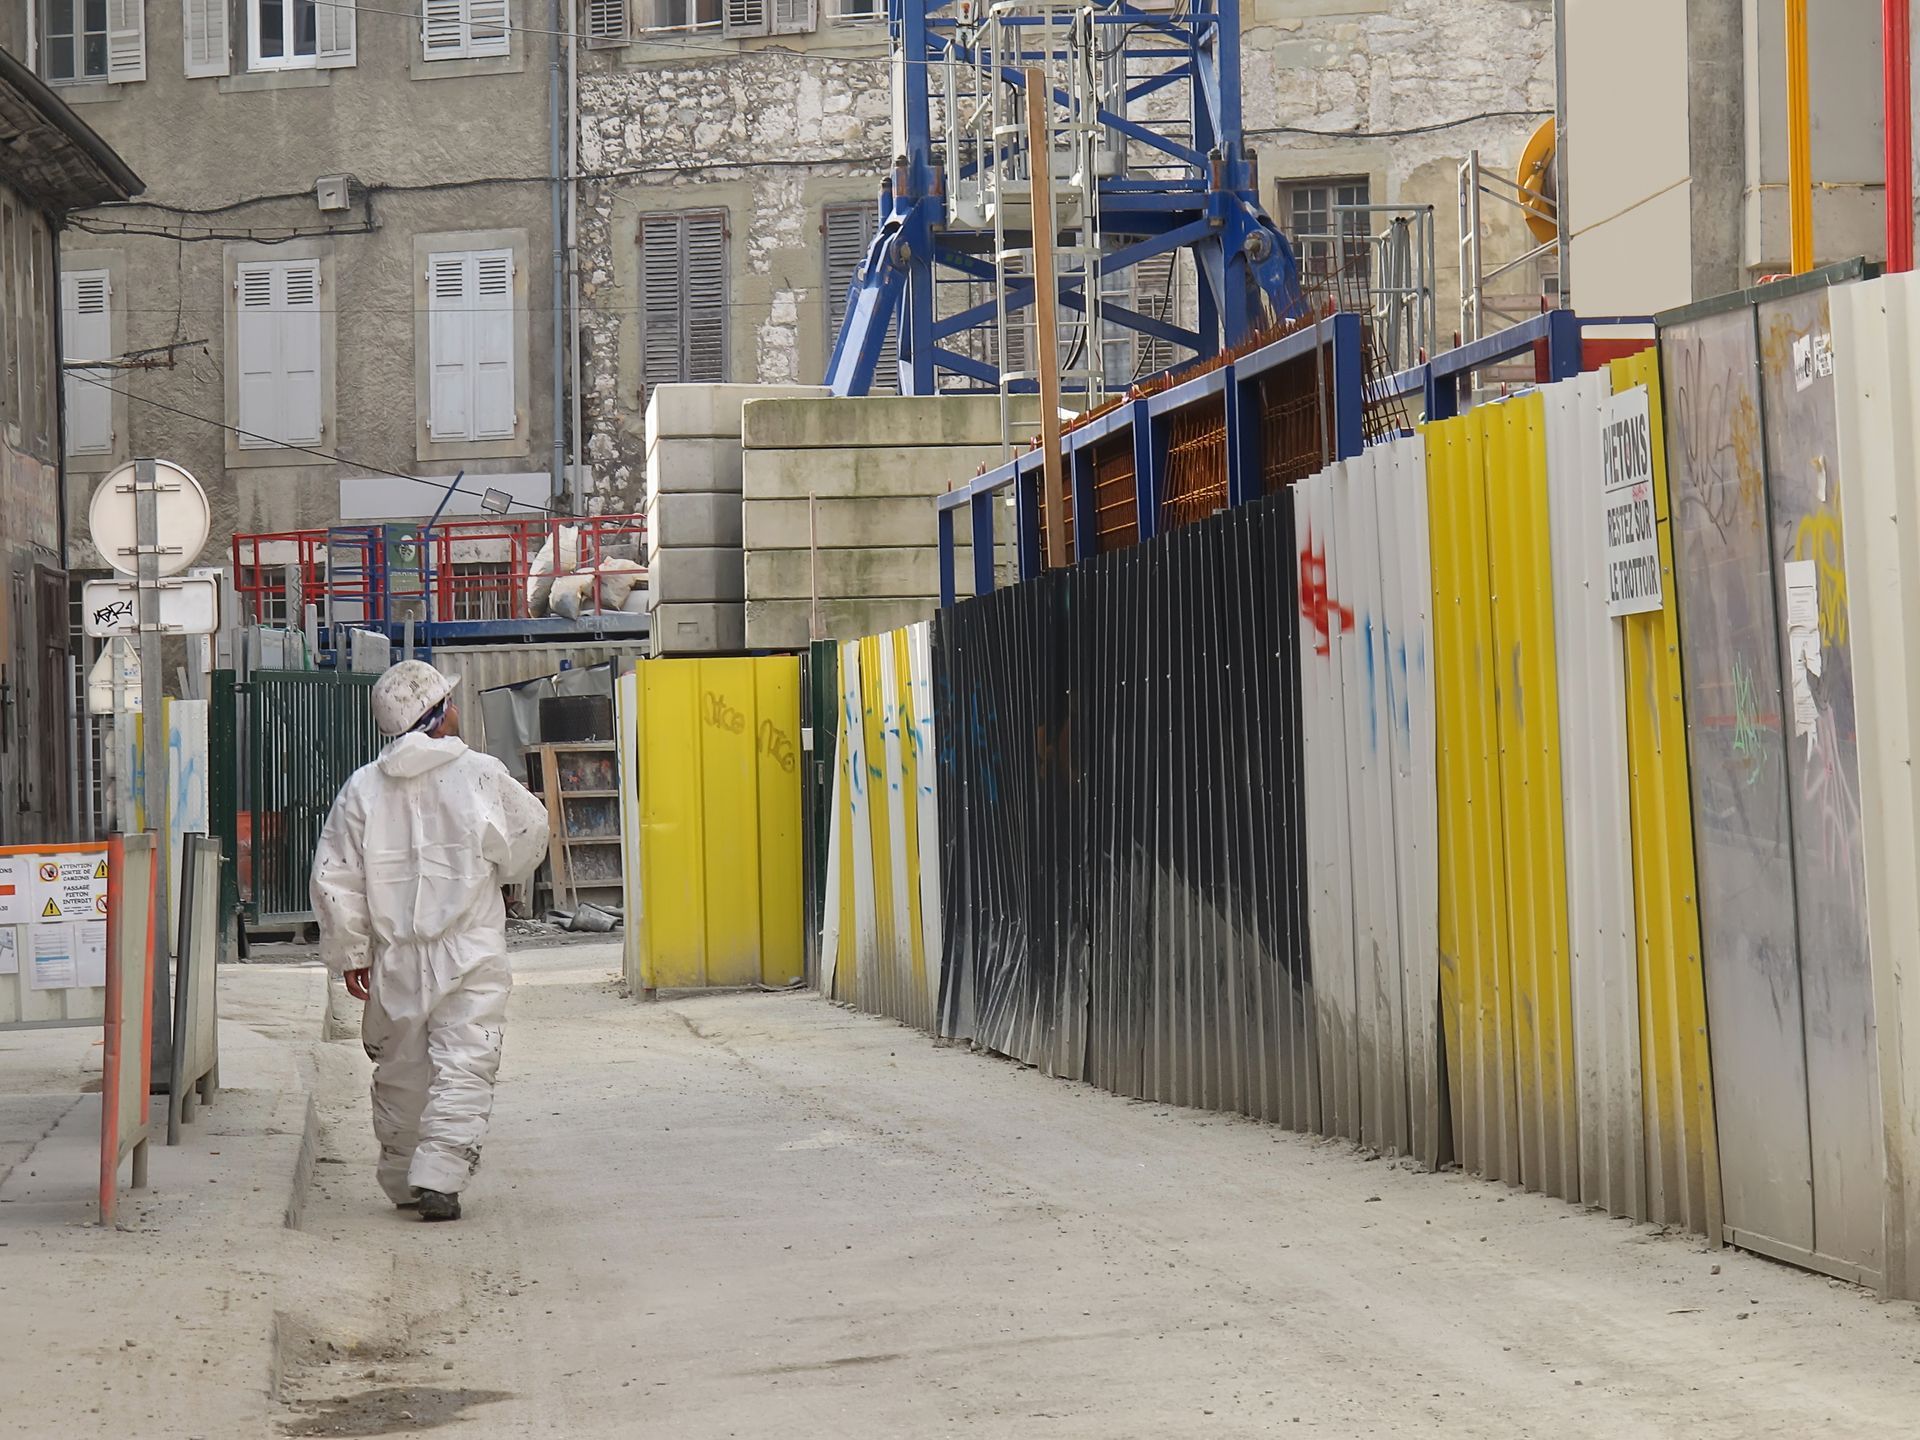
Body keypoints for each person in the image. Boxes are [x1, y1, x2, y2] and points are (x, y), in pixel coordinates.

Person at [311, 660, 549, 1221]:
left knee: (401, 1070)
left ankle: (403, 1179)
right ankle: (438, 1176)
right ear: (438, 717)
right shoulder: (481, 775)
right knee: (466, 1061)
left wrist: (351, 952)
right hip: (470, 950)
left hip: (396, 959)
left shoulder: (362, 789)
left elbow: (335, 876)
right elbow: (527, 840)